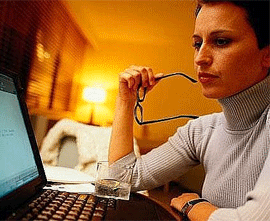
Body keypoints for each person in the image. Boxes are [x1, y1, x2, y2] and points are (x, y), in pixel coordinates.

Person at [108, 0, 270, 220]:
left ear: (267, 55)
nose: (200, 58)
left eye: (221, 41)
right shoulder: (202, 131)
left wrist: (192, 205)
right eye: (197, 43)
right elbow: (120, 180)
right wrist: (125, 100)